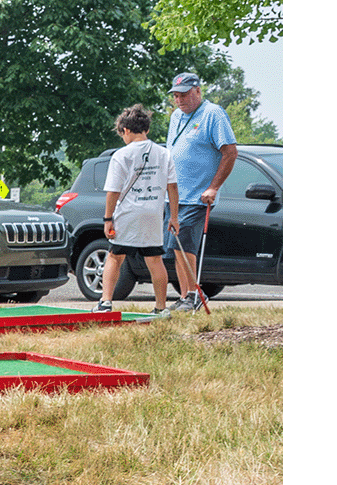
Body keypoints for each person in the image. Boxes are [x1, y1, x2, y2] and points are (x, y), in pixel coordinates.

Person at [163, 72, 237, 314]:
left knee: (185, 244)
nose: (179, 99)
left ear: (197, 91)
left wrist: (213, 187)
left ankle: (194, 294)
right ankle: (186, 295)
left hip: (197, 195)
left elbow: (230, 152)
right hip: (174, 195)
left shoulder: (213, 114)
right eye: (176, 95)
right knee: (175, 246)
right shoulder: (176, 117)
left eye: (184, 94)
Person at [95, 104, 179, 316]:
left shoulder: (121, 155)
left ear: (125, 130)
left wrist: (108, 218)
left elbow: (113, 191)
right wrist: (174, 217)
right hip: (153, 212)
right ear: (147, 129)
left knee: (116, 256)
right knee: (154, 259)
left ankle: (105, 302)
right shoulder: (164, 153)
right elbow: (173, 186)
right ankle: (161, 307)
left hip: (128, 213)